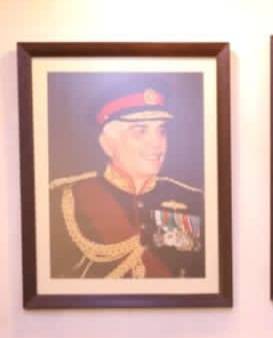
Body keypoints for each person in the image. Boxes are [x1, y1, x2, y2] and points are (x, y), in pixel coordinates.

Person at [49, 80, 204, 279]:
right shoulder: (66, 200)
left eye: (161, 131)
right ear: (108, 144)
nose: (157, 143)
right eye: (140, 131)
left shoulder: (193, 200)